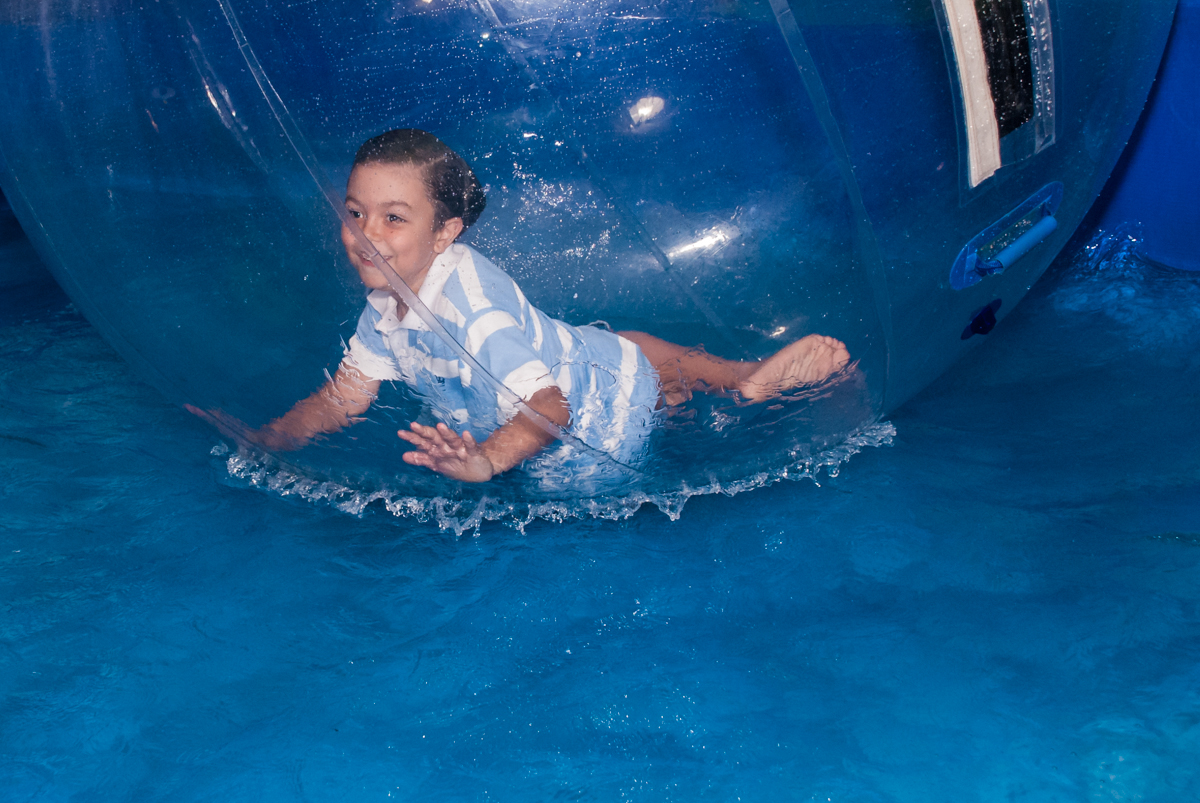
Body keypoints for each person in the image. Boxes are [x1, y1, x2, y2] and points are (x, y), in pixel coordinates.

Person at [195, 129, 849, 483]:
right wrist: (274, 436)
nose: (366, 233)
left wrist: (485, 459)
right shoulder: (386, 303)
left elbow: (551, 407)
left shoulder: (471, 313)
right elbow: (344, 398)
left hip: (596, 420)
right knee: (627, 346)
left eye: (394, 218)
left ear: (446, 232)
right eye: (357, 211)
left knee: (641, 369)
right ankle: (737, 377)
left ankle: (741, 383)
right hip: (583, 397)